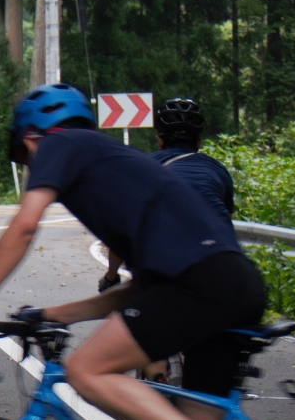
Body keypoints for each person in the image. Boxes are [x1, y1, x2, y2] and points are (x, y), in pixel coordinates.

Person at [0, 83, 266, 420]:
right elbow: (138, 290)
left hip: (200, 285)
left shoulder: (58, 143)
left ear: (32, 135)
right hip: (231, 284)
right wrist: (56, 313)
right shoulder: (114, 172)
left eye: (23, 156)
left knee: (87, 371)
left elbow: (25, 225)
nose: (31, 167)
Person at [98, 97, 234, 291]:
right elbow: (225, 224)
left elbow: (121, 235)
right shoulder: (218, 170)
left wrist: (111, 278)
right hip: (222, 266)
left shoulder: (141, 168)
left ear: (160, 140)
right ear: (199, 142)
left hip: (165, 269)